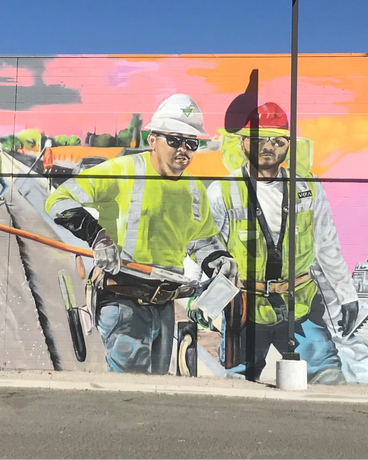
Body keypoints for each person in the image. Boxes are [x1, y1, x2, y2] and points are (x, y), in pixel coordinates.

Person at [44, 94, 238, 374]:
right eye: (174, 140)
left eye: (191, 143)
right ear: (152, 140)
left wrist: (218, 258)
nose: (183, 149)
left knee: (153, 393)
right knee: (132, 389)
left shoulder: (194, 189)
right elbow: (58, 200)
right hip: (123, 301)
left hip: (164, 308)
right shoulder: (123, 171)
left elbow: (201, 239)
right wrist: (96, 235)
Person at [206, 102, 359, 384]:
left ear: (288, 145)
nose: (268, 147)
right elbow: (209, 251)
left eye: (277, 140)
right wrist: (204, 306)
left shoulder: (308, 188)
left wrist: (346, 295)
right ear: (242, 144)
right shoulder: (221, 192)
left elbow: (327, 244)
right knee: (238, 387)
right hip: (246, 311)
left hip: (299, 307)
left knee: (329, 379)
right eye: (259, 140)